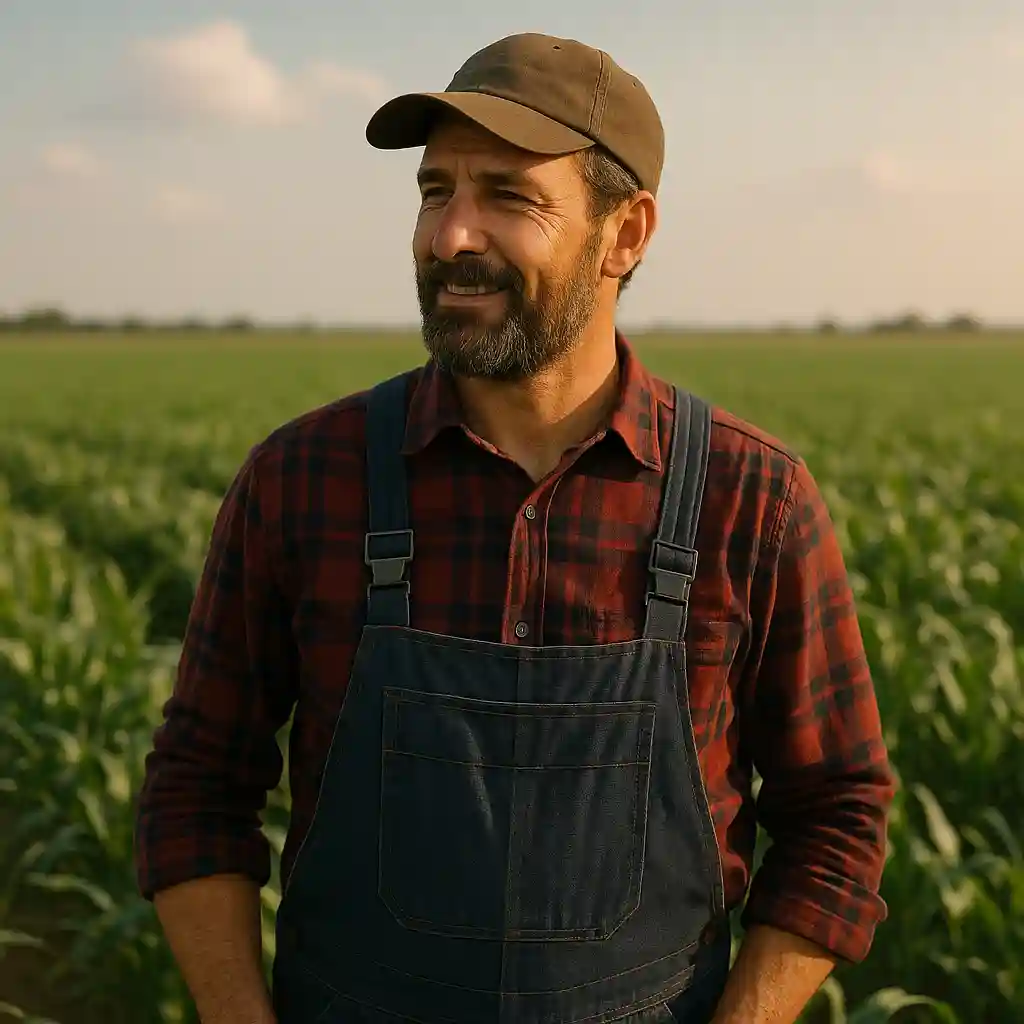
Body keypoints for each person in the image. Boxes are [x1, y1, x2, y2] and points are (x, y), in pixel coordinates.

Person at [134, 32, 896, 1024]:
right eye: (434, 191)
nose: (450, 235)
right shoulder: (301, 479)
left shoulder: (751, 499)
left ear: (626, 234)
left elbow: (837, 814)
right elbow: (197, 787)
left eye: (508, 196)